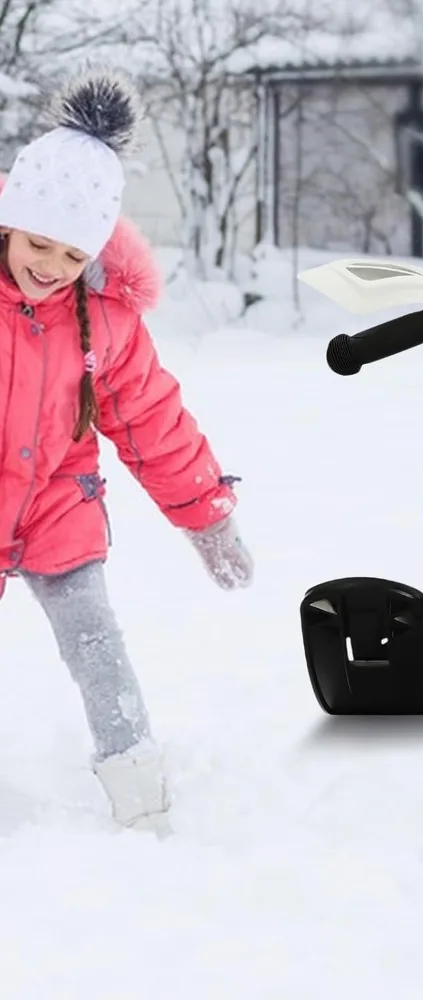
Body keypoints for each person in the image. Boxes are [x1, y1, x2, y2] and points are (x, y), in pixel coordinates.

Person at [0, 67, 254, 833]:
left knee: (97, 645)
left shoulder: (103, 319)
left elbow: (152, 419)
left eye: (72, 256)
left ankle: (141, 795)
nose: (49, 266)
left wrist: (209, 516)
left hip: (54, 505)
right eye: (36, 243)